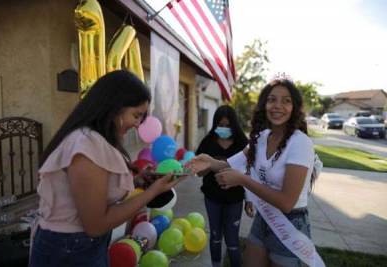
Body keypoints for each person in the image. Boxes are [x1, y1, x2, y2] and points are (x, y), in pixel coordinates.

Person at [29, 70, 185, 267]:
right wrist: (154, 190)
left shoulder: (96, 141)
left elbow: (98, 191)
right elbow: (95, 225)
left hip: (79, 247)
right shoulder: (86, 144)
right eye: (136, 115)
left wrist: (138, 181)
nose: (137, 124)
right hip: (69, 251)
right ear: (114, 107)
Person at [188, 78, 316, 267]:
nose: (277, 106)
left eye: (286, 101)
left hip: (290, 224)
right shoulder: (261, 138)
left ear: (295, 107)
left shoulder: (300, 142)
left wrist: (242, 180)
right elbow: (232, 164)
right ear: (264, 104)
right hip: (263, 219)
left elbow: (286, 202)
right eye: (272, 100)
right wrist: (209, 161)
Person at [195, 105, 248, 267]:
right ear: (215, 124)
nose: (224, 128)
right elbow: (198, 173)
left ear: (234, 125)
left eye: (227, 125)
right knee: (215, 236)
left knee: (232, 241)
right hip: (213, 198)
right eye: (220, 125)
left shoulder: (242, 144)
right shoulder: (208, 142)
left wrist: (250, 200)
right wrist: (208, 166)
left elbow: (249, 172)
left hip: (235, 199)